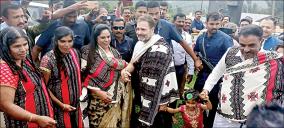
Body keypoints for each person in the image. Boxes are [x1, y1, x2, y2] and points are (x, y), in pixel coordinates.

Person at [201, 24, 284, 127]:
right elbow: (216, 73)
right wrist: (206, 89)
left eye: (251, 45)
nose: (246, 49)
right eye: (242, 45)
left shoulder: (272, 61)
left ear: (261, 41)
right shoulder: (231, 53)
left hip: (252, 120)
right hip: (223, 115)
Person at [121, 15, 179, 127]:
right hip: (142, 90)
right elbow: (133, 62)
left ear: (152, 30)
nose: (139, 32)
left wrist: (162, 102)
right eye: (137, 29)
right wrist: (125, 71)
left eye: (143, 29)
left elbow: (163, 78)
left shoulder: (161, 49)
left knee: (158, 123)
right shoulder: (139, 44)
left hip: (158, 96)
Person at [0, 27, 56, 128]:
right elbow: (6, 105)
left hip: (40, 119)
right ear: (5, 47)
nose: (23, 49)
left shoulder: (24, 60)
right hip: (25, 123)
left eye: (25, 44)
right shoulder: (5, 68)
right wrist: (35, 118)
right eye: (16, 46)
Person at [82, 24, 129, 127]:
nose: (106, 40)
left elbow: (123, 66)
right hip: (97, 98)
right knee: (98, 124)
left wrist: (123, 72)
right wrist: (99, 93)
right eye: (102, 37)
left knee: (114, 123)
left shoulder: (115, 52)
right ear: (96, 38)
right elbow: (83, 76)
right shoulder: (88, 51)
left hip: (115, 96)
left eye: (108, 37)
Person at [194, 12, 233, 128]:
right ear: (206, 23)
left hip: (217, 78)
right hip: (202, 75)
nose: (214, 26)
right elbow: (196, 52)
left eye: (217, 24)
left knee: (212, 103)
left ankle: (208, 124)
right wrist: (197, 61)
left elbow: (231, 58)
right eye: (212, 24)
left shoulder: (226, 39)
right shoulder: (201, 38)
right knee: (197, 98)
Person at [40, 26, 83, 128]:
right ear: (56, 41)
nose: (67, 45)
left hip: (76, 106)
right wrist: (61, 105)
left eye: (70, 41)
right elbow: (43, 88)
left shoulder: (75, 53)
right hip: (59, 109)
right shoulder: (47, 60)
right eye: (62, 41)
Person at [146, 1, 202, 71]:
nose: (154, 17)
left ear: (160, 12)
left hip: (164, 66)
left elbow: (183, 42)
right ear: (146, 13)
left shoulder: (167, 26)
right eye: (151, 14)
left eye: (156, 13)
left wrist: (195, 59)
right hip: (147, 65)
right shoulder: (142, 26)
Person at [172, 13, 195, 98]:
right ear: (174, 21)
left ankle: (173, 108)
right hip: (168, 67)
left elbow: (189, 55)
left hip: (180, 68)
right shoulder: (167, 34)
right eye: (179, 21)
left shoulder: (187, 37)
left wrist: (191, 71)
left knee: (177, 88)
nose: (181, 24)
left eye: (183, 21)